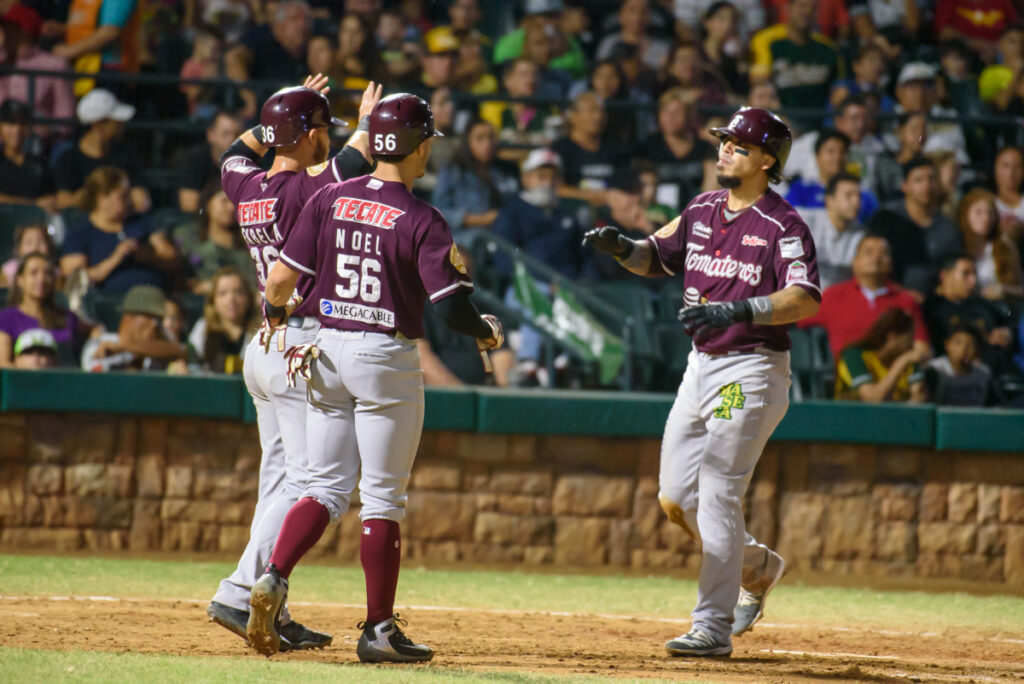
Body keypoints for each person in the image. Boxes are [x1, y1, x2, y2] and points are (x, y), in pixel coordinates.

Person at [249, 93, 503, 662]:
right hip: (383, 355)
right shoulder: (421, 217)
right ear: (416, 145)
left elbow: (279, 284)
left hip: (323, 348)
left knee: (322, 487)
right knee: (383, 499)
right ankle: (378, 630)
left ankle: (273, 575)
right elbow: (451, 309)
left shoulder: (331, 197)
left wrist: (278, 324)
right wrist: (485, 331)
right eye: (429, 139)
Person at [584, 107, 820, 656]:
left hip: (751, 368)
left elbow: (803, 296)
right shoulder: (701, 208)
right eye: (724, 141)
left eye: (738, 144)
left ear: (767, 160)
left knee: (717, 487)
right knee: (675, 498)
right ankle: (758, 566)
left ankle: (712, 626)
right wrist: (623, 248)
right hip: (701, 366)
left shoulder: (784, 224)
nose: (724, 150)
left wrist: (740, 310)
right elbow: (656, 257)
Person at [205, 77, 379, 653]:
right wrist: (367, 120)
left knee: (280, 479)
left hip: (264, 346)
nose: (328, 138)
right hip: (297, 343)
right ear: (304, 136)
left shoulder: (247, 183)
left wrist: (280, 118)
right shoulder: (306, 189)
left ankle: (259, 595)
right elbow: (359, 156)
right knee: (309, 486)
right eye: (320, 129)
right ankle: (239, 591)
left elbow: (234, 152)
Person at [800, 235, 930, 359]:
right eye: (869, 252)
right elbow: (795, 319)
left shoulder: (906, 301)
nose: (876, 258)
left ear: (891, 263)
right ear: (855, 262)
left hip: (895, 374)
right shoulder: (833, 296)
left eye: (883, 253)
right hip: (849, 375)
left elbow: (921, 347)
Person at [60, 166, 178, 295]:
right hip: (107, 302)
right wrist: (115, 259)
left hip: (152, 295)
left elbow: (171, 258)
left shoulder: (142, 222)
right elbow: (73, 278)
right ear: (102, 199)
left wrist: (148, 257)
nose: (130, 201)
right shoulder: (80, 232)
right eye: (123, 196)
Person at [868, 156, 961, 296]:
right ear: (904, 186)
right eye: (918, 180)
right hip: (887, 296)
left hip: (933, 301)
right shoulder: (886, 218)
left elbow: (952, 271)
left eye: (932, 179)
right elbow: (871, 262)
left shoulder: (948, 228)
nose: (926, 186)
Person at [923, 254, 1019, 384]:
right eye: (966, 274)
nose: (973, 280)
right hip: (951, 379)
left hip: (996, 377)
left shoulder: (982, 305)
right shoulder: (932, 310)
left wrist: (1009, 332)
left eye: (975, 274)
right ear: (944, 276)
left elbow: (1011, 316)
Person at [52, 89, 148, 213]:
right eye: (116, 121)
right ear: (98, 124)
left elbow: (141, 201)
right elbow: (63, 202)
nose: (122, 125)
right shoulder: (69, 159)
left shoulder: (127, 156)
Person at [431, 118, 520, 240]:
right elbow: (438, 213)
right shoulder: (452, 172)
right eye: (480, 138)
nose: (487, 143)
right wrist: (476, 220)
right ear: (468, 142)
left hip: (501, 235)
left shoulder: (506, 171)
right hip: (464, 239)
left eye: (491, 137)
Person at [749, 0, 842, 111]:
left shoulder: (829, 49)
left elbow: (840, 89)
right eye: (802, 6)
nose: (807, 11)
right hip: (781, 117)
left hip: (819, 120)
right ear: (788, 9)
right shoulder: (769, 42)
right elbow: (759, 83)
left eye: (813, 8)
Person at [0, 3, 75, 139]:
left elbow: (65, 118)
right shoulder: (2, 61)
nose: (3, 32)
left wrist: (49, 131)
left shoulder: (54, 65)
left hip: (36, 143)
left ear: (23, 32)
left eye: (7, 27)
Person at [0, 253, 89, 367]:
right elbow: (2, 363)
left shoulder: (67, 317)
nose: (41, 279)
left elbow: (92, 330)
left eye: (47, 273)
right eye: (34, 273)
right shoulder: (7, 318)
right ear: (20, 279)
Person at [636, 88, 717, 211]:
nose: (670, 118)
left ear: (690, 116)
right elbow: (646, 187)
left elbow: (712, 187)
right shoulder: (649, 146)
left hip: (696, 210)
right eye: (666, 112)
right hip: (659, 212)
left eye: (677, 113)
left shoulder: (704, 147)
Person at [80, 285, 187, 372]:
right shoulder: (100, 342)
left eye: (158, 320)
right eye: (149, 317)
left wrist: (125, 346)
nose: (154, 325)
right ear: (130, 317)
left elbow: (181, 350)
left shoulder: (162, 339)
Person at [834, 307, 927, 402]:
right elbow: (873, 399)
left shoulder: (909, 358)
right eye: (909, 338)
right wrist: (900, 364)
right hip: (851, 414)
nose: (912, 343)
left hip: (894, 415)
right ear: (892, 336)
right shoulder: (854, 356)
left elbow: (919, 397)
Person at [551, 91, 627, 206]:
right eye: (592, 111)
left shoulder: (615, 149)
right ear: (573, 116)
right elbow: (556, 188)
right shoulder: (560, 149)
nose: (598, 116)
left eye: (602, 111)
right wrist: (598, 196)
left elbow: (625, 186)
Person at [799, 173, 867, 289]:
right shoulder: (803, 221)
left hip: (837, 300)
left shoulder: (861, 235)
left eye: (858, 196)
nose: (856, 201)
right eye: (848, 195)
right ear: (829, 199)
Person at [184, 185, 254, 294]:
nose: (231, 207)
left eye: (234, 202)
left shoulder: (248, 238)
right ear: (208, 204)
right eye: (224, 201)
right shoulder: (188, 236)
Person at [956, 188, 1024, 300]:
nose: (986, 218)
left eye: (990, 213)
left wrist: (1004, 289)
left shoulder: (1005, 246)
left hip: (999, 309)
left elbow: (1020, 288)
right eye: (978, 212)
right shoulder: (956, 246)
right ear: (965, 214)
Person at [187, 266, 257, 373]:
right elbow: (192, 366)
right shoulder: (203, 330)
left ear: (248, 298)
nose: (231, 299)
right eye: (223, 293)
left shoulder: (261, 331)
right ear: (213, 300)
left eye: (238, 292)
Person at [176, 111, 243, 214]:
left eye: (238, 134)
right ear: (211, 135)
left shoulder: (254, 160)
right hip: (201, 220)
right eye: (225, 134)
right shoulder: (195, 159)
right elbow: (188, 204)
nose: (233, 140)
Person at [0, 99, 55, 211]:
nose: (17, 130)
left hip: (34, 224)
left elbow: (52, 195)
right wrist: (33, 204)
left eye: (22, 124)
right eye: (11, 123)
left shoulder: (39, 163)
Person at [925, 325, 998, 406]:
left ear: (978, 349)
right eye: (958, 343)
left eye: (970, 344)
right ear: (947, 345)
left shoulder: (984, 374)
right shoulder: (935, 370)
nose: (964, 349)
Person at [1, 223, 56, 288]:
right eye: (29, 243)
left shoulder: (54, 271)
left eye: (41, 241)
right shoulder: (9, 270)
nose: (35, 247)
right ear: (19, 249)